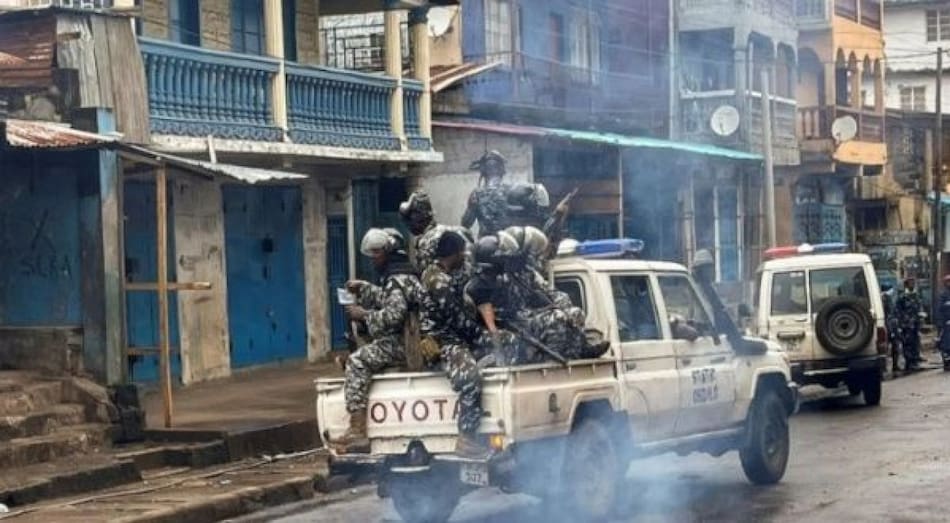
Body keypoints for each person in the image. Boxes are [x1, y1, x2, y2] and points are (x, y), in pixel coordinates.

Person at [330, 228, 425, 454]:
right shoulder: (405, 273)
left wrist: (363, 315)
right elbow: (389, 299)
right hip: (413, 341)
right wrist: (364, 289)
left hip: (405, 344)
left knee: (356, 361)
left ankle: (357, 431)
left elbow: (394, 317)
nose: (373, 259)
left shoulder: (396, 279)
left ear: (388, 252)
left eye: (376, 254)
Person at [422, 231, 492, 458]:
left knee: (504, 345)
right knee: (470, 377)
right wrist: (482, 336)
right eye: (462, 251)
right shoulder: (438, 281)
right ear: (454, 253)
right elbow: (457, 320)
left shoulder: (446, 275)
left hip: (455, 337)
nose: (464, 255)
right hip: (444, 342)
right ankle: (467, 437)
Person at [461, 151, 512, 237]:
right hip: (508, 243)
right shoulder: (510, 191)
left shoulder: (477, 194)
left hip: (486, 243)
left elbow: (466, 224)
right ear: (502, 170)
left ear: (483, 171)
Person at [896, 277, 923, 371]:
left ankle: (915, 361)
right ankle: (909, 362)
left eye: (913, 283)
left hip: (916, 323)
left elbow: (919, 307)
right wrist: (902, 322)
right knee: (908, 343)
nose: (913, 284)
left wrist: (920, 316)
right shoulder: (902, 296)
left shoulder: (916, 295)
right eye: (911, 283)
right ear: (906, 285)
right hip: (906, 325)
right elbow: (898, 311)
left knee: (916, 342)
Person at [936, 276, 950, 367]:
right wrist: (941, 323)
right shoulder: (943, 295)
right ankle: (947, 361)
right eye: (948, 282)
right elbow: (939, 309)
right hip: (946, 323)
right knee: (946, 343)